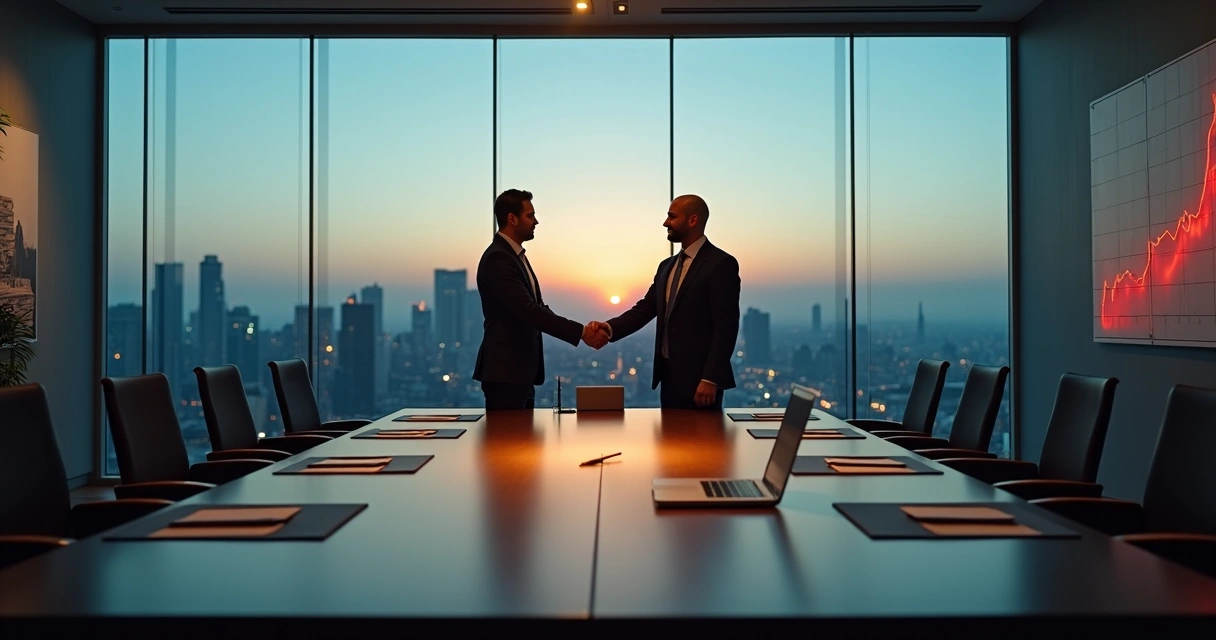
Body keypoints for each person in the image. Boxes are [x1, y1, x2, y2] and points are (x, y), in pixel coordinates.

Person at [595, 194, 740, 409]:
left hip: (701, 384)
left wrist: (710, 379)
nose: (665, 223)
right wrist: (608, 328)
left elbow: (726, 326)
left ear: (692, 220)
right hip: (669, 379)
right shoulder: (666, 267)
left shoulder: (721, 264)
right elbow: (646, 308)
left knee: (704, 433)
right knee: (670, 432)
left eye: (672, 217)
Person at [473, 189, 609, 410]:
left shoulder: (515, 257)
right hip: (505, 372)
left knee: (521, 432)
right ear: (512, 218)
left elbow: (537, 308)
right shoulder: (499, 258)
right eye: (530, 215)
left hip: (519, 373)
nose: (536, 221)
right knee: (508, 433)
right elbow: (529, 312)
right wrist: (582, 332)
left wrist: (581, 331)